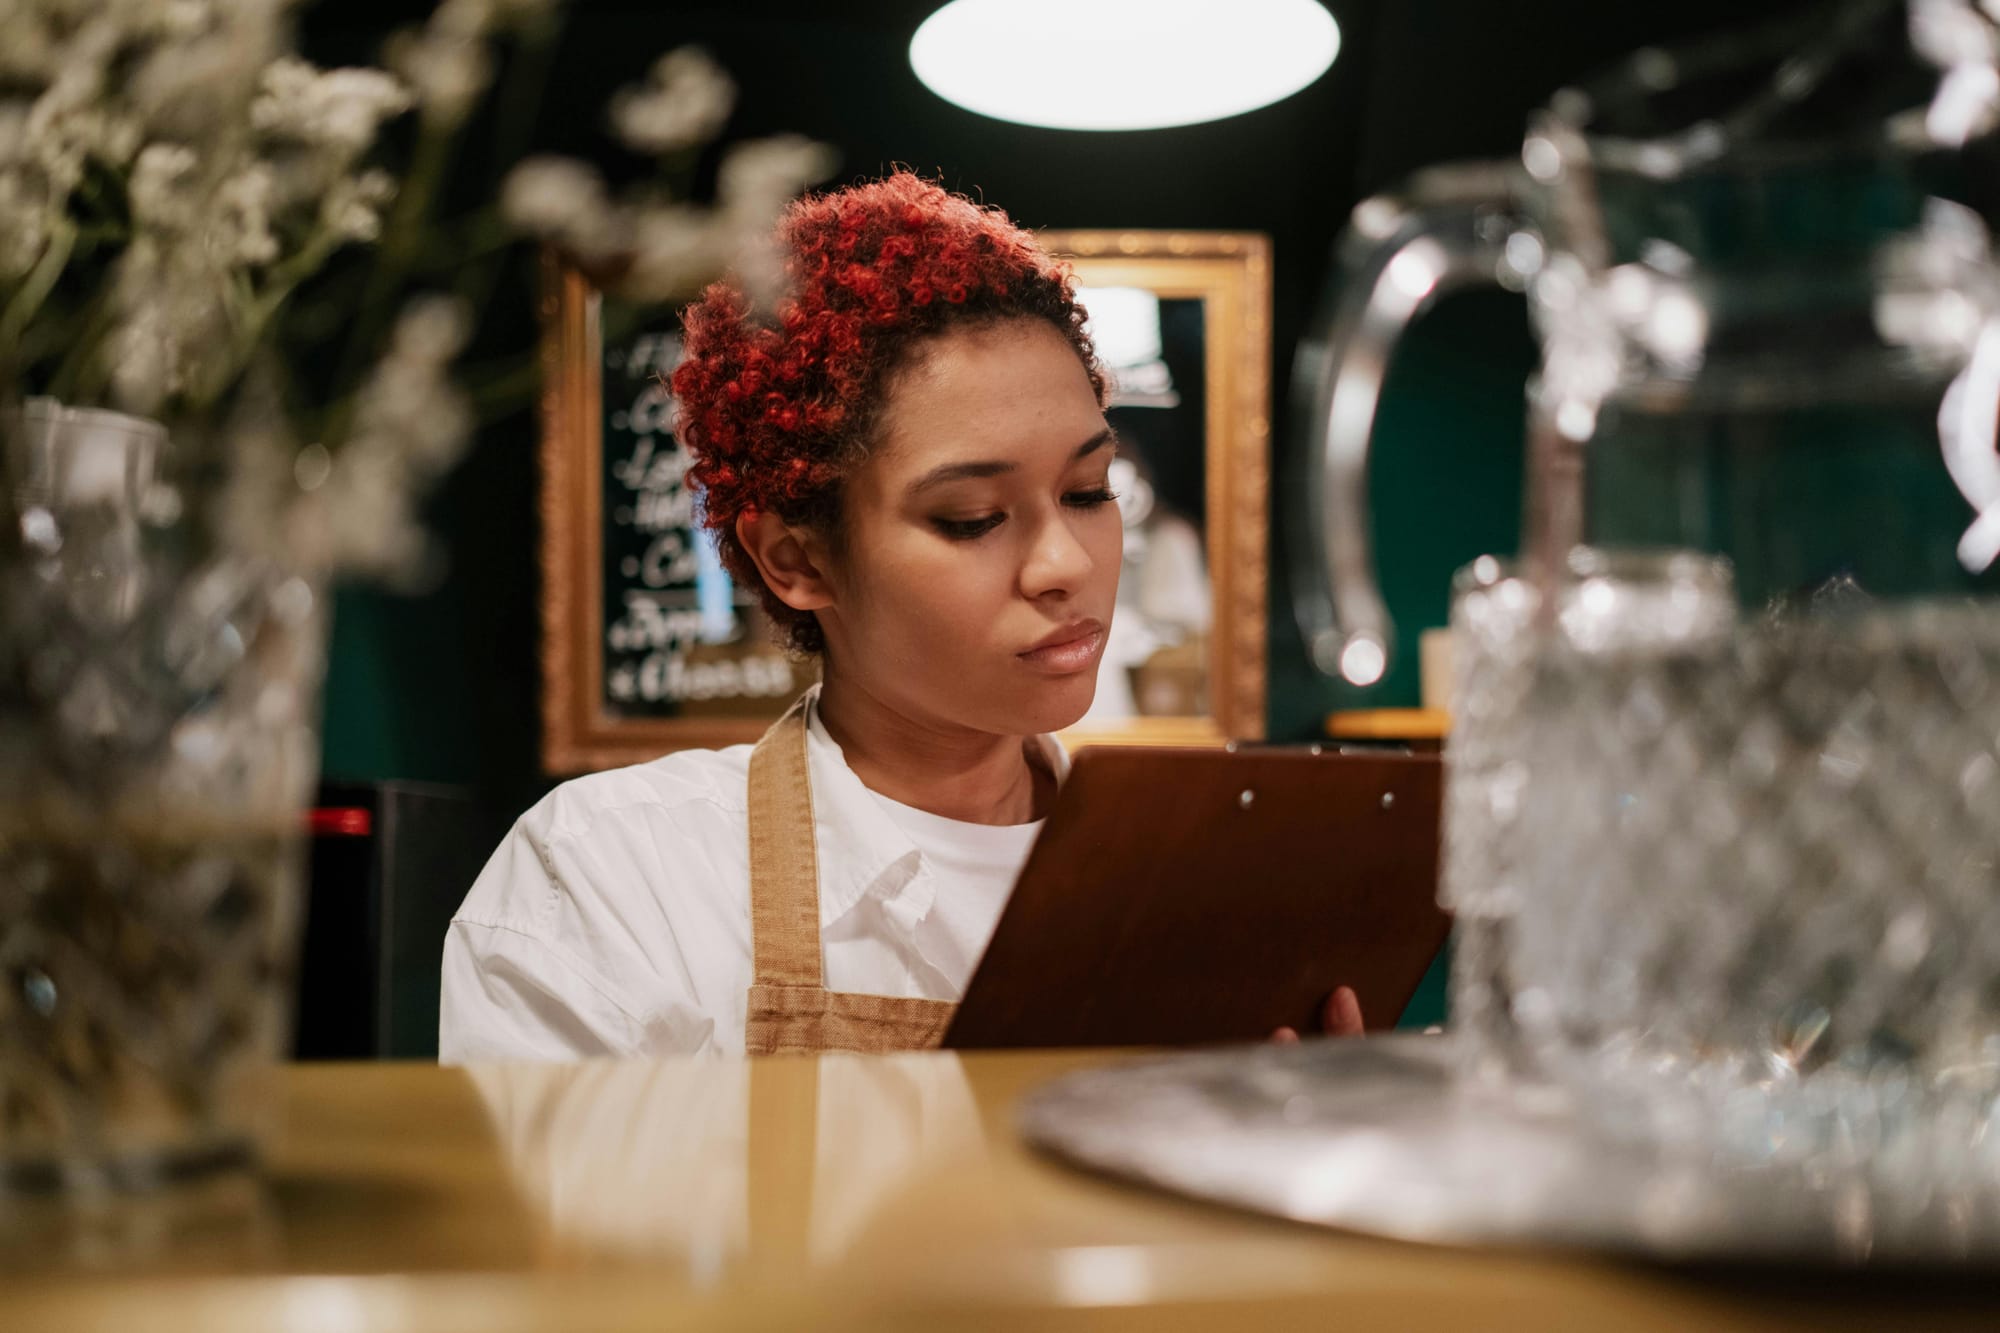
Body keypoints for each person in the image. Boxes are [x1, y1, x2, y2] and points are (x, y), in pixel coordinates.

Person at [439, 173, 1360, 1061]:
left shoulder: (1192, 890)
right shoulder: (613, 883)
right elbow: (553, 1223)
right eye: (974, 518)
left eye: (1089, 490)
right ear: (797, 560)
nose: (1067, 564)